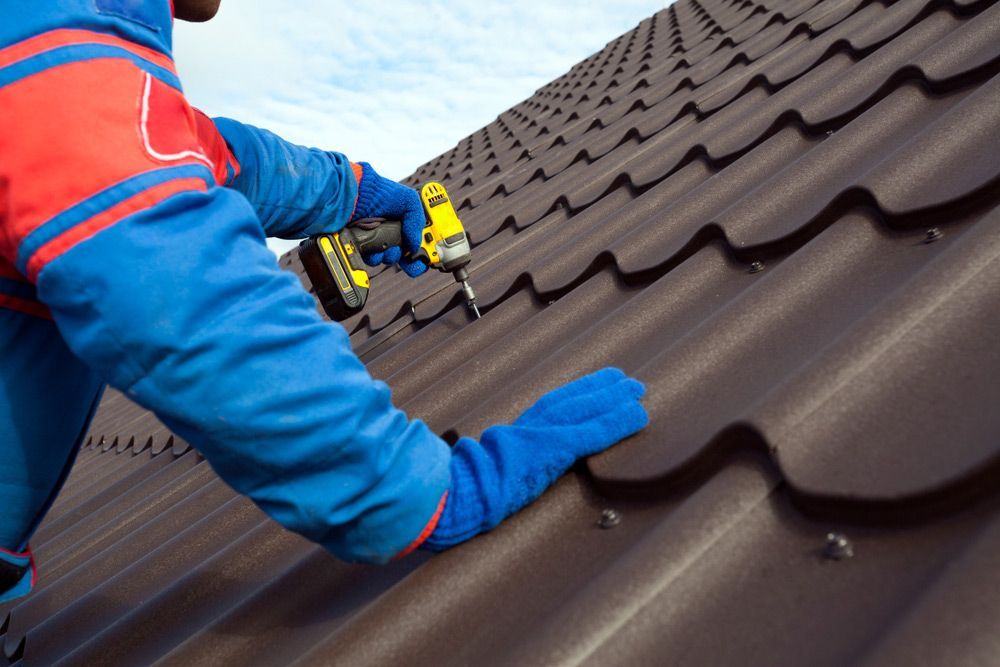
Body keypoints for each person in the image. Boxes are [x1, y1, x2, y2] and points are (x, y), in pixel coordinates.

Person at [0, 0, 648, 603]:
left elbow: (210, 155)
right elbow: (177, 288)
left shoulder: (51, 38)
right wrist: (416, 491)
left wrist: (356, 193)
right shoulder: (60, 71)